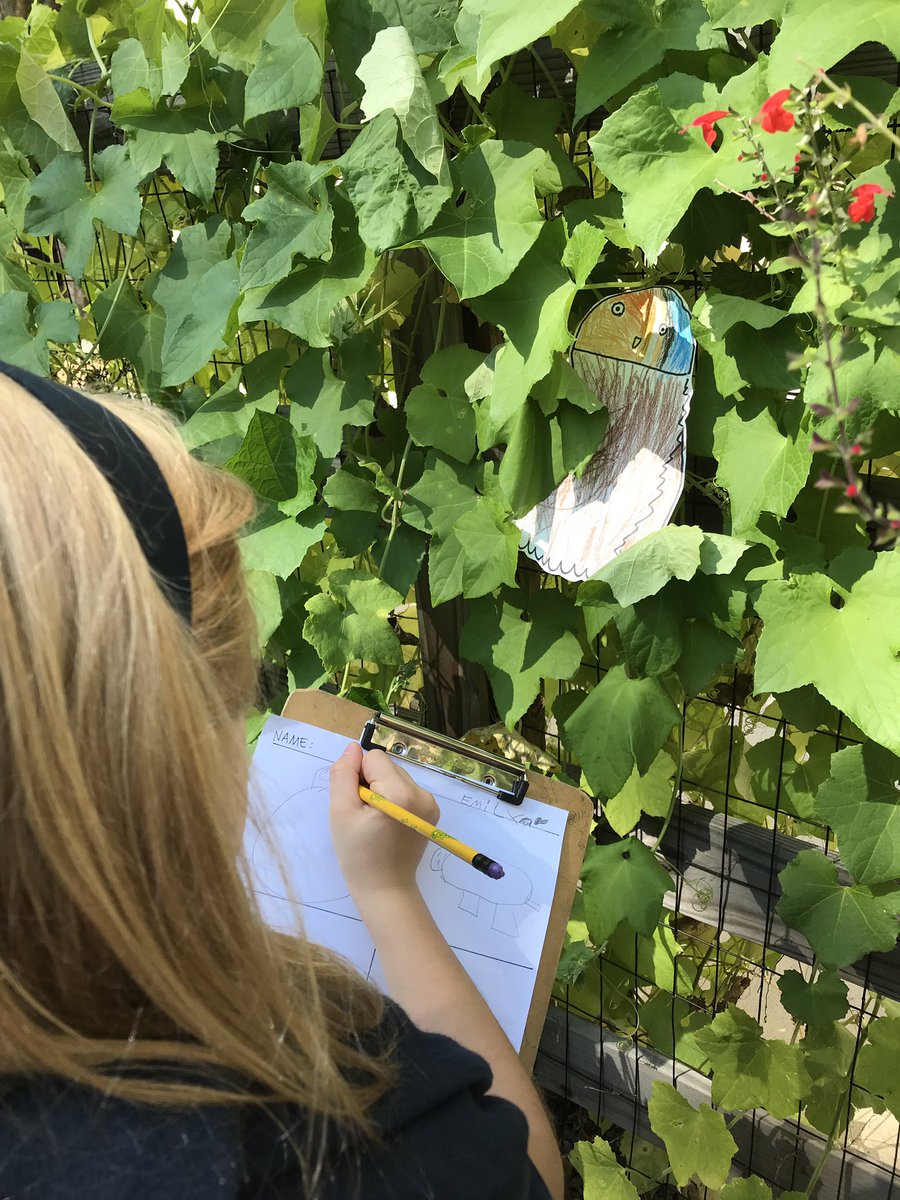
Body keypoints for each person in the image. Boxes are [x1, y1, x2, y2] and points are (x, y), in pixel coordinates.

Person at [0, 361, 564, 1200]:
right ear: (163, 768)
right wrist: (389, 897)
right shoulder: (338, 1129)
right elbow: (528, 1175)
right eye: (239, 706)